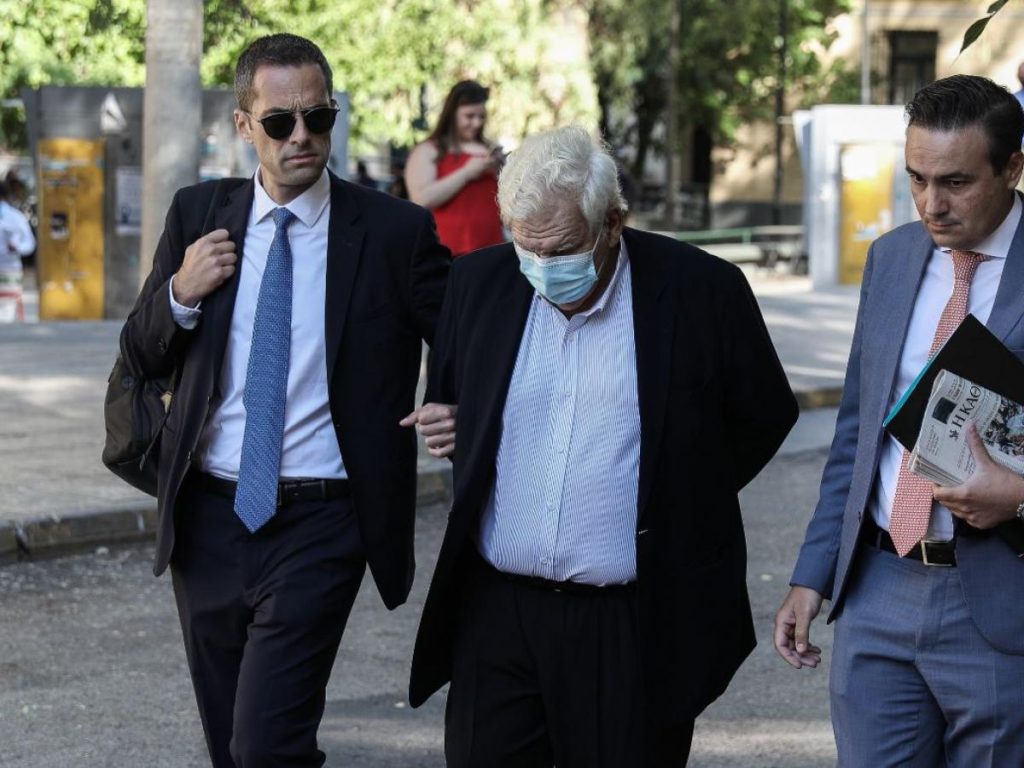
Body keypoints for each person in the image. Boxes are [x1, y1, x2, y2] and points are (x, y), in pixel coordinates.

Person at [407, 125, 798, 766]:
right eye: (525, 247)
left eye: (561, 249)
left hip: (630, 624)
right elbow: (459, 399)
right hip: (498, 615)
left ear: (613, 222)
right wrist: (455, 427)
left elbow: (763, 415)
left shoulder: (703, 291)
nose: (541, 268)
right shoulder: (479, 283)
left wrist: (677, 492)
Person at [119, 34, 451, 767]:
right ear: (245, 125)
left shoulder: (392, 232)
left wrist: (452, 401)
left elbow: (463, 335)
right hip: (208, 517)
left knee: (267, 743)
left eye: (318, 117)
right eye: (279, 121)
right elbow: (139, 353)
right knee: (230, 745)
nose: (302, 136)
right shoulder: (199, 214)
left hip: (323, 520)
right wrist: (179, 292)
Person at [774, 74, 1024, 765]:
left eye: (956, 182)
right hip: (877, 587)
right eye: (916, 178)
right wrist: (813, 573)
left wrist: (1019, 497)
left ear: (1012, 168)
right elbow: (857, 431)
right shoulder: (891, 257)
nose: (931, 204)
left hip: (1002, 603)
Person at [405, 80, 504, 257]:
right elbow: (421, 200)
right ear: (452, 114)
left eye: (481, 116)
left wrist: (502, 168)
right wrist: (466, 173)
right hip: (447, 252)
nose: (477, 123)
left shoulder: (488, 148)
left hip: (492, 249)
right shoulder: (428, 150)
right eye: (469, 116)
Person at [0, 179, 36, 322]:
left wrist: (17, 247)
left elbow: (29, 244)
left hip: (9, 271)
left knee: (6, 309)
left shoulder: (15, 217)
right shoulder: (16, 216)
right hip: (10, 270)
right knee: (6, 311)